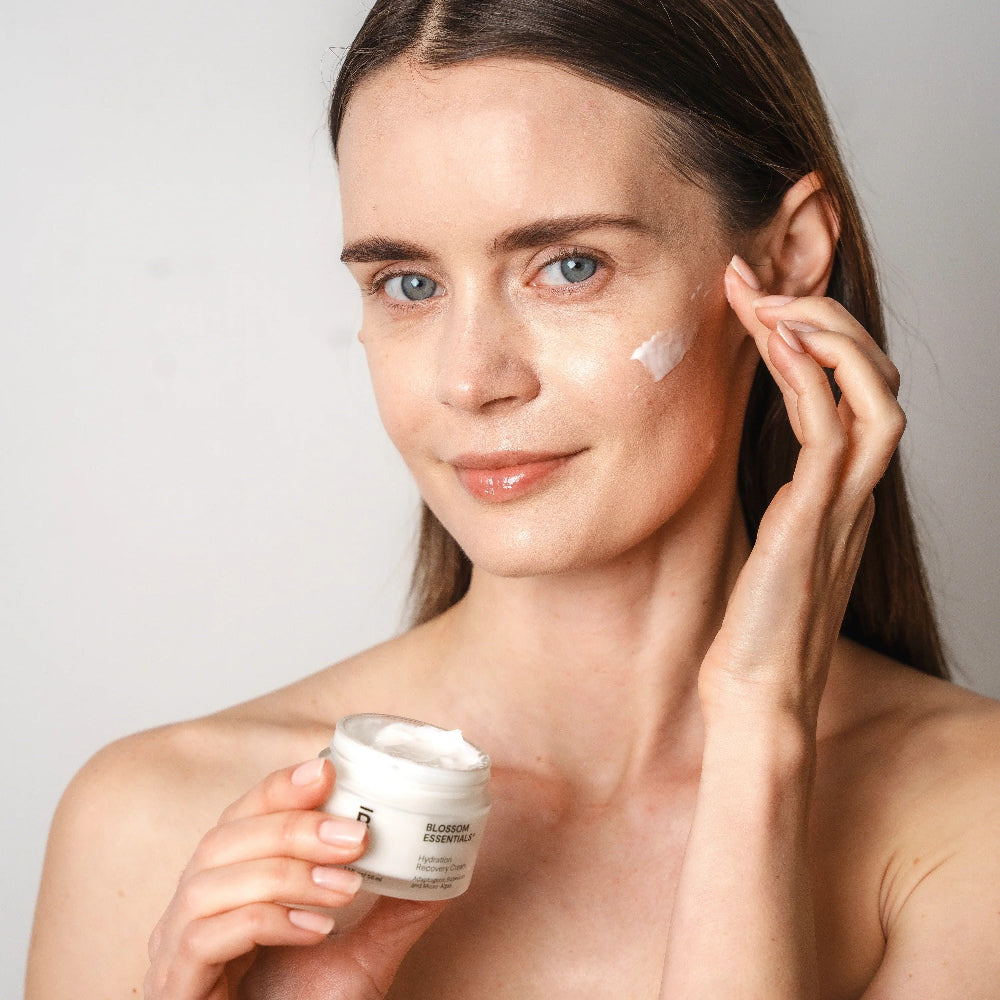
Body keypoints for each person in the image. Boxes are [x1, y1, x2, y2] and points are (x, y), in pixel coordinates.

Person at [26, 0, 1000, 997]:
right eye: (407, 284)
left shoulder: (969, 813)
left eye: (568, 267)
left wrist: (755, 742)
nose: (469, 379)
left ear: (787, 255)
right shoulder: (156, 825)